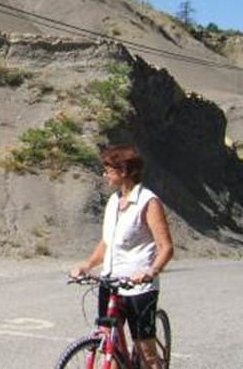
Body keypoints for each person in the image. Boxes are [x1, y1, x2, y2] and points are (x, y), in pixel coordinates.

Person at [70, 144, 174, 369]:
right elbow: (107, 242)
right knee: (110, 345)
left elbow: (166, 248)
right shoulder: (113, 202)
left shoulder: (148, 202)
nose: (104, 174)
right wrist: (87, 265)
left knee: (146, 353)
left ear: (124, 171)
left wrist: (150, 271)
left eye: (108, 169)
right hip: (110, 283)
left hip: (139, 288)